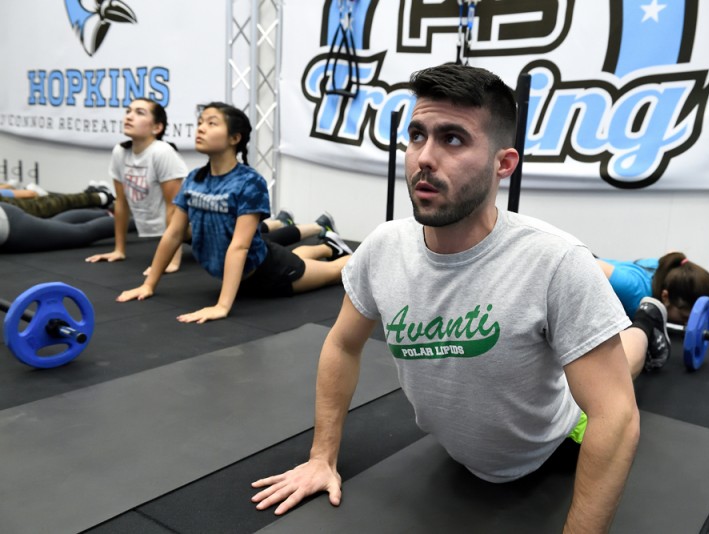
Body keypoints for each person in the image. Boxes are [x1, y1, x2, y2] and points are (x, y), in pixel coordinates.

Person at [250, 65, 666, 531]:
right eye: (417, 135)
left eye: (452, 139)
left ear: (503, 164)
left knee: (616, 368)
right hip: (465, 455)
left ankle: (647, 325)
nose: (424, 157)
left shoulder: (557, 261)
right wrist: (321, 456)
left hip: (555, 438)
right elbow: (343, 345)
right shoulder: (383, 248)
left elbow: (616, 418)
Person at [116, 102, 353, 323]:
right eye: (200, 122)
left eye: (211, 123)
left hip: (270, 273)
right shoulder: (194, 179)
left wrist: (222, 306)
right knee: (301, 258)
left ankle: (360, 255)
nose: (201, 128)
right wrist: (149, 285)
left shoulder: (249, 182)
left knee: (337, 272)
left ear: (235, 138)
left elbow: (239, 247)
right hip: (238, 276)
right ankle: (328, 246)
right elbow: (174, 234)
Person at [85, 98, 189, 273]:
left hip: (191, 228)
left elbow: (175, 208)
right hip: (158, 229)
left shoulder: (162, 152)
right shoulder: (120, 151)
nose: (130, 116)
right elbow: (121, 202)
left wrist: (171, 261)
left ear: (157, 127)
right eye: (128, 111)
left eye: (140, 113)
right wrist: (119, 250)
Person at [597, 254, 709, 324]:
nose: (688, 325)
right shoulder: (634, 290)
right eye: (684, 317)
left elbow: (673, 252)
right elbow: (591, 264)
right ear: (665, 297)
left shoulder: (670, 269)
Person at [0, 190, 121, 253]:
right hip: (7, 216)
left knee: (81, 233)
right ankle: (108, 213)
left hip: (12, 226)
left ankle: (134, 221)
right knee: (57, 224)